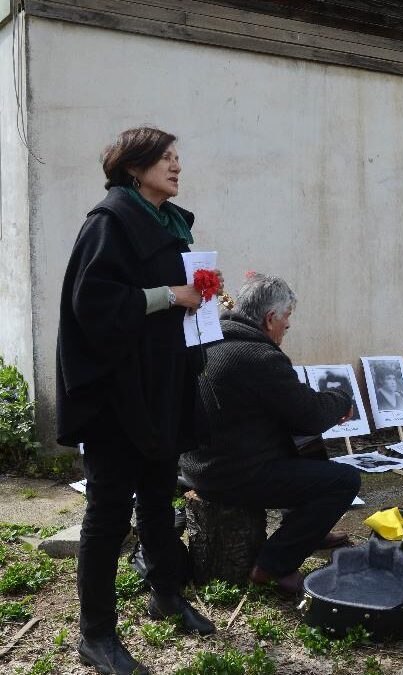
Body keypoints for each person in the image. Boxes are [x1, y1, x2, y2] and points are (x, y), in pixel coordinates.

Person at [56, 127, 216, 674]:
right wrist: (172, 295)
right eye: (165, 159)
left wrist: (198, 300)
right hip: (116, 393)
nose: (176, 166)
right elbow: (93, 304)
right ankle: (95, 635)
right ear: (133, 168)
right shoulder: (109, 223)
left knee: (156, 495)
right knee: (107, 513)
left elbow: (168, 301)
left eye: (177, 157)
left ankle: (165, 594)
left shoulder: (168, 223)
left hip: (160, 384)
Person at [179, 274, 361, 597]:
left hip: (199, 466)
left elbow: (292, 409)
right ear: (269, 318)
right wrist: (341, 400)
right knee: (345, 481)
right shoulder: (259, 357)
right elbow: (310, 415)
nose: (286, 330)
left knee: (303, 446)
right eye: (286, 321)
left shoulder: (213, 339)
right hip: (231, 475)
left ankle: (308, 531)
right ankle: (273, 565)